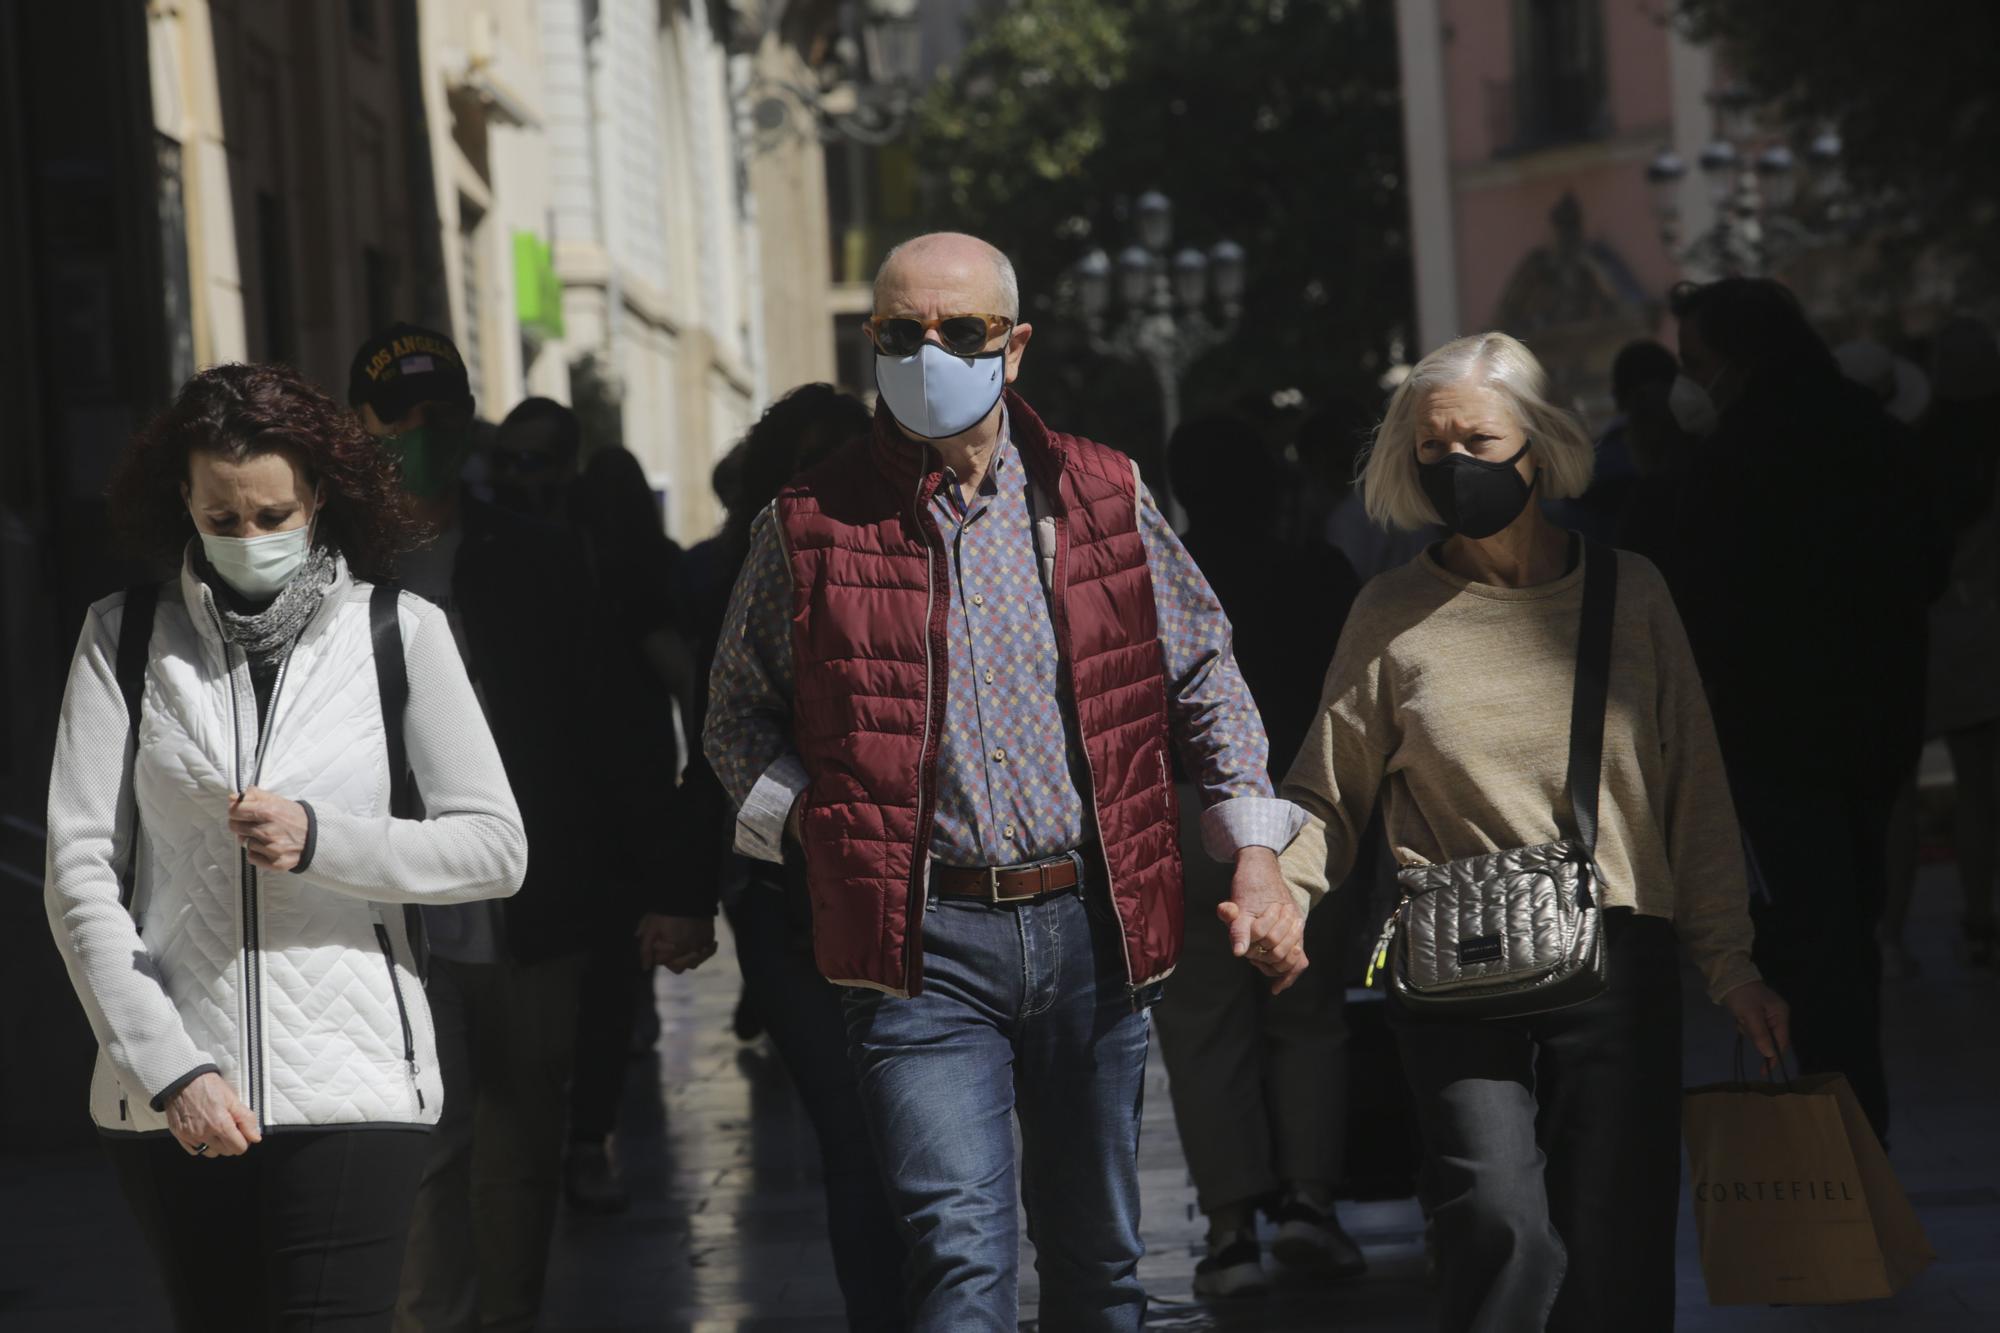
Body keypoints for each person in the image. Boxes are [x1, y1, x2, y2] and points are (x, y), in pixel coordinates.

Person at [704, 232, 1309, 1329]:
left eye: (961, 331)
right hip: (919, 947)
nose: (927, 351)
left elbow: (1203, 674)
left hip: (1091, 928)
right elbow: (732, 720)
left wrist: (1257, 857)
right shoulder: (808, 523)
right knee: (957, 1257)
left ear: (1014, 347)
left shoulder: (1101, 492)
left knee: (1097, 1265)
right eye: (899, 333)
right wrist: (820, 835)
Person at [1278, 331, 1789, 1332]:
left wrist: (1729, 963)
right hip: (1453, 956)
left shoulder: (1627, 592)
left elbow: (1693, 786)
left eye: (1476, 438)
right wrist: (1278, 889)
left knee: (1612, 1245)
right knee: (1499, 1222)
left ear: (1539, 444)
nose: (1452, 465)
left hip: (1615, 948)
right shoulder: (1388, 612)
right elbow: (1322, 790)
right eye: (1430, 448)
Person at [47, 363, 528, 1331]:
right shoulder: (125, 638)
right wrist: (168, 1067)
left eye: (273, 513)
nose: (251, 538)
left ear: (318, 494)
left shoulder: (400, 632)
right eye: (223, 519)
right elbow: (77, 871)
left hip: (356, 1081)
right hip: (173, 1088)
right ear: (180, 500)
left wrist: (324, 841)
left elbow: (493, 848)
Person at [347, 323, 654, 1332]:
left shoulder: (532, 560)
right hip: (393, 912)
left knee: (518, 1151)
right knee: (428, 1146)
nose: (423, 434)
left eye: (443, 414)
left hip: (526, 905)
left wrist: (638, 882)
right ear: (362, 427)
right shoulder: (329, 572)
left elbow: (602, 718)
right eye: (402, 416)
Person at [659, 383, 909, 1330]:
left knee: (919, 1142)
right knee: (855, 1132)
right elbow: (713, 749)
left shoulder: (918, 553)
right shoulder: (748, 573)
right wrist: (695, 890)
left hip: (917, 895)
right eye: (815, 464)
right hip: (789, 899)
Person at [1668, 279, 1934, 1141]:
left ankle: (1837, 1161)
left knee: (1802, 954)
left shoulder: (1728, 465)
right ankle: (1861, 1139)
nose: (1691, 382)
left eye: (1697, 364)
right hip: (1874, 730)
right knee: (1846, 941)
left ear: (1738, 362)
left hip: (1773, 743)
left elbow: (1699, 607)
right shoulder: (1878, 440)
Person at [1151, 414, 1364, 1298]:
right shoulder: (1318, 571)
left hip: (1184, 818)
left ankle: (1231, 1231)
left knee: (1202, 1029)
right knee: (1307, 1009)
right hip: (1303, 817)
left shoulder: (1154, 576)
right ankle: (1312, 1202)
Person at [1884, 317, 2000, 971]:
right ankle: (1981, 918)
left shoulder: (1918, 454)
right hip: (1988, 626)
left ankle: (1900, 931)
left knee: (1924, 789)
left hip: (1934, 635)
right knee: (1983, 786)